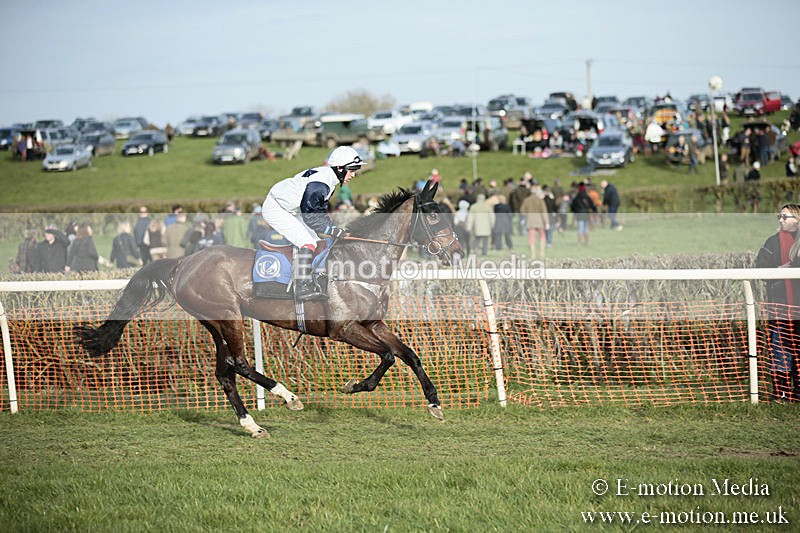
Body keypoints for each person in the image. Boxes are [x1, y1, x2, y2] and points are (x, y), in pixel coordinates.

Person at [261, 145, 366, 301]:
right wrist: (333, 231)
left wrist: (333, 229)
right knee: (308, 243)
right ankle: (301, 286)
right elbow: (311, 216)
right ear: (339, 168)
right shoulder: (321, 184)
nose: (354, 174)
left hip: (292, 209)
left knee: (318, 243)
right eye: (351, 170)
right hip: (277, 208)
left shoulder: (329, 178)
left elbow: (319, 214)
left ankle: (313, 279)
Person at [755, 203, 800, 402]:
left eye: (786, 217)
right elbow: (759, 268)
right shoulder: (772, 243)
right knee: (780, 350)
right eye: (780, 217)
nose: (781, 220)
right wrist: (779, 270)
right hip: (780, 307)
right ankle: (781, 393)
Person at [520, 184, 549, 258]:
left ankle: (533, 254)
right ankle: (541, 253)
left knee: (531, 238)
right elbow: (544, 212)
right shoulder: (540, 200)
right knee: (542, 237)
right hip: (540, 221)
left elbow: (522, 211)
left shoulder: (526, 200)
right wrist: (547, 222)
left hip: (530, 221)